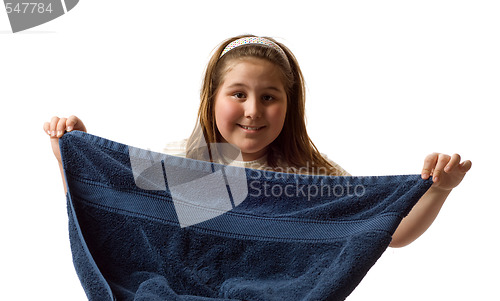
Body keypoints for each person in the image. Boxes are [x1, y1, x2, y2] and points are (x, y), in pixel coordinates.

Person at [43, 34, 471, 249]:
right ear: (212, 100)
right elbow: (105, 212)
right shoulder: (182, 165)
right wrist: (71, 151)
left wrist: (438, 190)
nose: (252, 110)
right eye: (238, 94)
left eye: (269, 97)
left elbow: (388, 234)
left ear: (290, 106)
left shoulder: (312, 179)